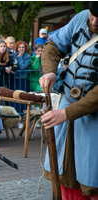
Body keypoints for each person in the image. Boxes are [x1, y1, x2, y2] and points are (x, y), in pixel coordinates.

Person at [40, 3, 98, 199]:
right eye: (92, 16)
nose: (95, 22)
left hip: (93, 118)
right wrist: (49, 72)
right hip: (65, 105)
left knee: (92, 174)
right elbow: (52, 45)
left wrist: (65, 114)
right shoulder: (81, 17)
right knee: (64, 170)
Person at [11, 41, 31, 129]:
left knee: (22, 99)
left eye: (23, 47)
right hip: (14, 80)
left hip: (23, 79)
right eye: (19, 47)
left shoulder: (27, 56)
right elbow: (13, 66)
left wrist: (19, 58)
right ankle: (13, 120)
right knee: (14, 99)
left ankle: (20, 121)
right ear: (17, 48)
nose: (21, 49)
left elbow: (23, 67)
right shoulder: (13, 55)